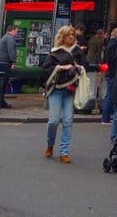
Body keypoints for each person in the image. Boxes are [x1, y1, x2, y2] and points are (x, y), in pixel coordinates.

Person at [41, 25, 83, 164]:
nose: (71, 37)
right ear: (62, 37)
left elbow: (86, 66)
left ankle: (64, 152)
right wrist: (61, 67)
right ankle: (50, 144)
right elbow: (46, 69)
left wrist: (80, 68)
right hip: (57, 89)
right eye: (68, 35)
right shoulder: (55, 52)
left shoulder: (77, 51)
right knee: (53, 121)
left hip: (70, 90)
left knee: (67, 121)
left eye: (72, 34)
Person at [0, 23, 18, 110]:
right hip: (4, 63)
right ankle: (0, 102)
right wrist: (13, 62)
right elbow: (11, 51)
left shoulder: (4, 37)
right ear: (12, 30)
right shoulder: (10, 38)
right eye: (16, 31)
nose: (17, 33)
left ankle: (0, 101)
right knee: (3, 83)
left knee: (1, 84)